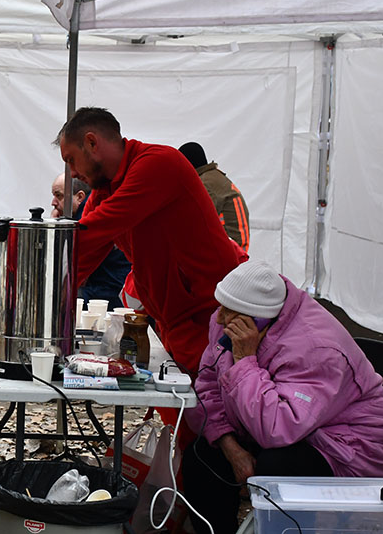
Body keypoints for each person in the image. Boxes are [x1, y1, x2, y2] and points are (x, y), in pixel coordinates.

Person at [182, 260, 383, 534]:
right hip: (281, 425)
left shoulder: (317, 349)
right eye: (220, 306)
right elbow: (208, 387)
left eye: (229, 313)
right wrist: (232, 449)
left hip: (350, 446)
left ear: (259, 322)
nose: (219, 319)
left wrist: (245, 361)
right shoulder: (234, 318)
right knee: (201, 457)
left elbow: (277, 430)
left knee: (277, 470)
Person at [56, 107, 246, 377]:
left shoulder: (159, 163)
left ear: (91, 143)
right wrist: (26, 287)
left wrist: (26, 269)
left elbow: (93, 230)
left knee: (209, 409)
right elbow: (80, 256)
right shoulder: (102, 192)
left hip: (211, 315)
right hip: (171, 320)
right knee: (179, 409)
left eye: (71, 160)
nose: (72, 173)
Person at [51, 171, 131, 310]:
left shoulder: (88, 216)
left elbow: (70, 266)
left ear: (80, 197)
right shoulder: (88, 208)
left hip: (108, 294)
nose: (53, 203)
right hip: (112, 289)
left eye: (58, 196)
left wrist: (55, 229)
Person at [179, 141, 251, 252]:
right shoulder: (212, 176)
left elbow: (197, 221)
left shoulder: (205, 184)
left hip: (231, 250)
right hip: (235, 246)